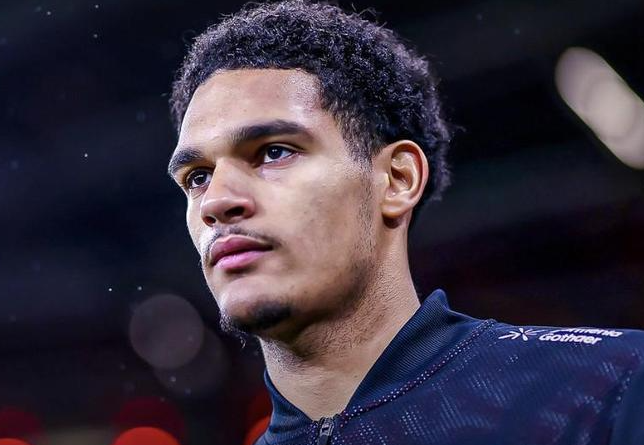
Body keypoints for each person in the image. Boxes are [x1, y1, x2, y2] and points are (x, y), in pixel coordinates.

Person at [166, 1, 644, 444]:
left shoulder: (612, 388)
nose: (216, 202)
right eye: (197, 177)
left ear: (397, 179)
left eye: (274, 152)